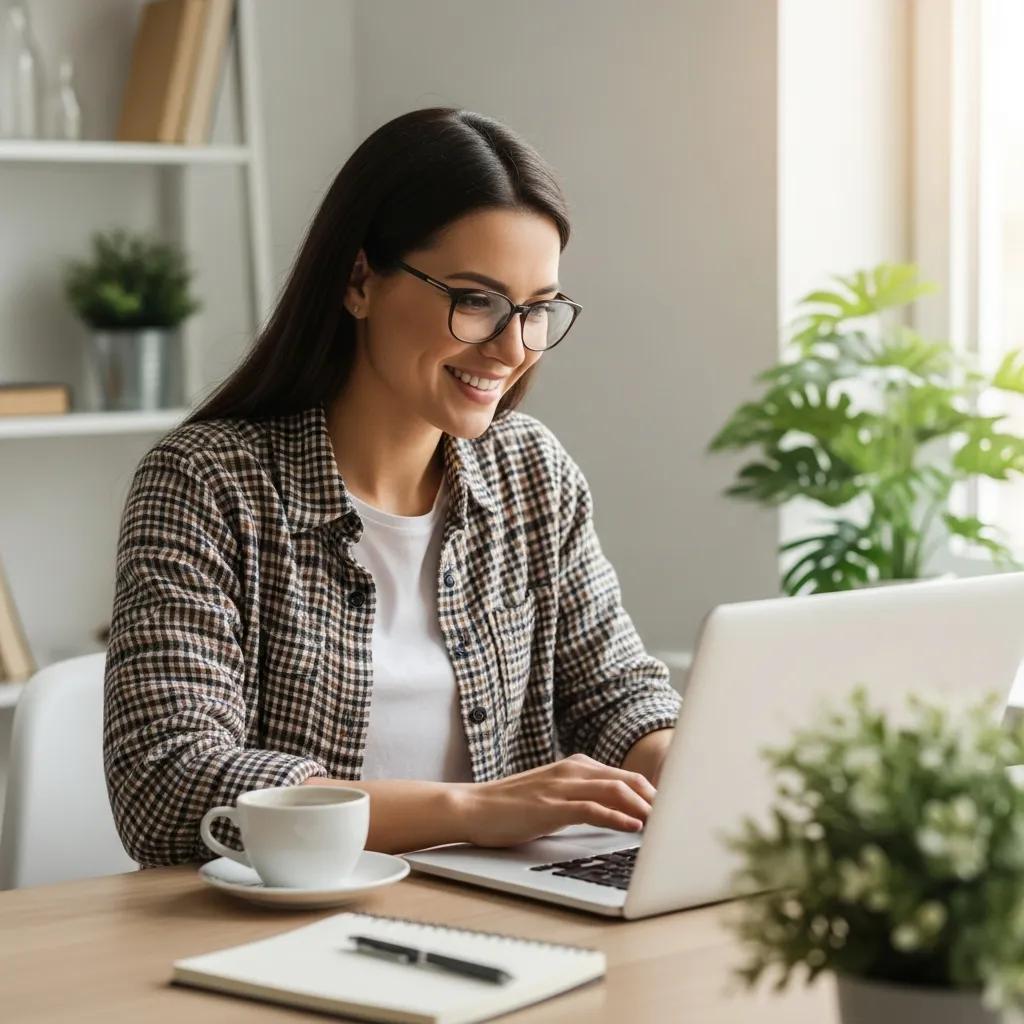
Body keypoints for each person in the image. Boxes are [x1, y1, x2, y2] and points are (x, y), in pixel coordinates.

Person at [103, 107, 682, 868]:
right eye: (476, 300)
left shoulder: (532, 474)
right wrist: (471, 810)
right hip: (285, 924)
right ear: (359, 281)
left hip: (504, 911)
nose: (512, 348)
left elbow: (616, 696)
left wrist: (692, 768)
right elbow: (166, 786)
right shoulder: (207, 484)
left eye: (537, 310)